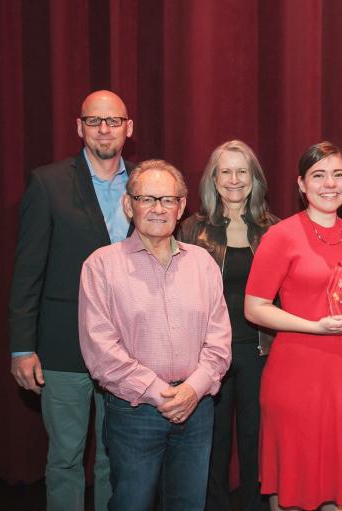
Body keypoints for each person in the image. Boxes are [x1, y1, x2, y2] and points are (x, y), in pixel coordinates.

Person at [78, 159, 232, 511]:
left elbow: (219, 341)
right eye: (146, 199)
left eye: (167, 199)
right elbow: (100, 351)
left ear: (181, 207)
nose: (158, 208)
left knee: (189, 505)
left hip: (197, 408)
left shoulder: (202, 263)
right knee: (131, 504)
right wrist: (158, 393)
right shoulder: (101, 265)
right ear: (128, 205)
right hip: (135, 413)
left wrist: (192, 389)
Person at [8, 90, 134, 511]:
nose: (104, 129)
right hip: (64, 347)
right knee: (64, 459)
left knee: (115, 458)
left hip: (129, 348)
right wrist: (23, 347)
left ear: (128, 128)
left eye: (113, 121)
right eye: (94, 120)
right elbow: (28, 271)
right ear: (78, 127)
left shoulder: (148, 185)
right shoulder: (48, 183)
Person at [244, 141, 342, 511]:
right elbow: (254, 308)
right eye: (319, 176)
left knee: (340, 493)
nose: (330, 184)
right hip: (295, 377)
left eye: (338, 174)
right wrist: (313, 326)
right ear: (302, 184)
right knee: (291, 490)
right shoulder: (282, 235)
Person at [176, 140, 279, 511]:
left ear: (254, 178)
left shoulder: (275, 230)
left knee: (255, 441)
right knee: (212, 443)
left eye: (243, 171)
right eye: (226, 171)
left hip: (260, 351)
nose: (234, 179)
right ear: (213, 179)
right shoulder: (189, 230)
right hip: (209, 355)